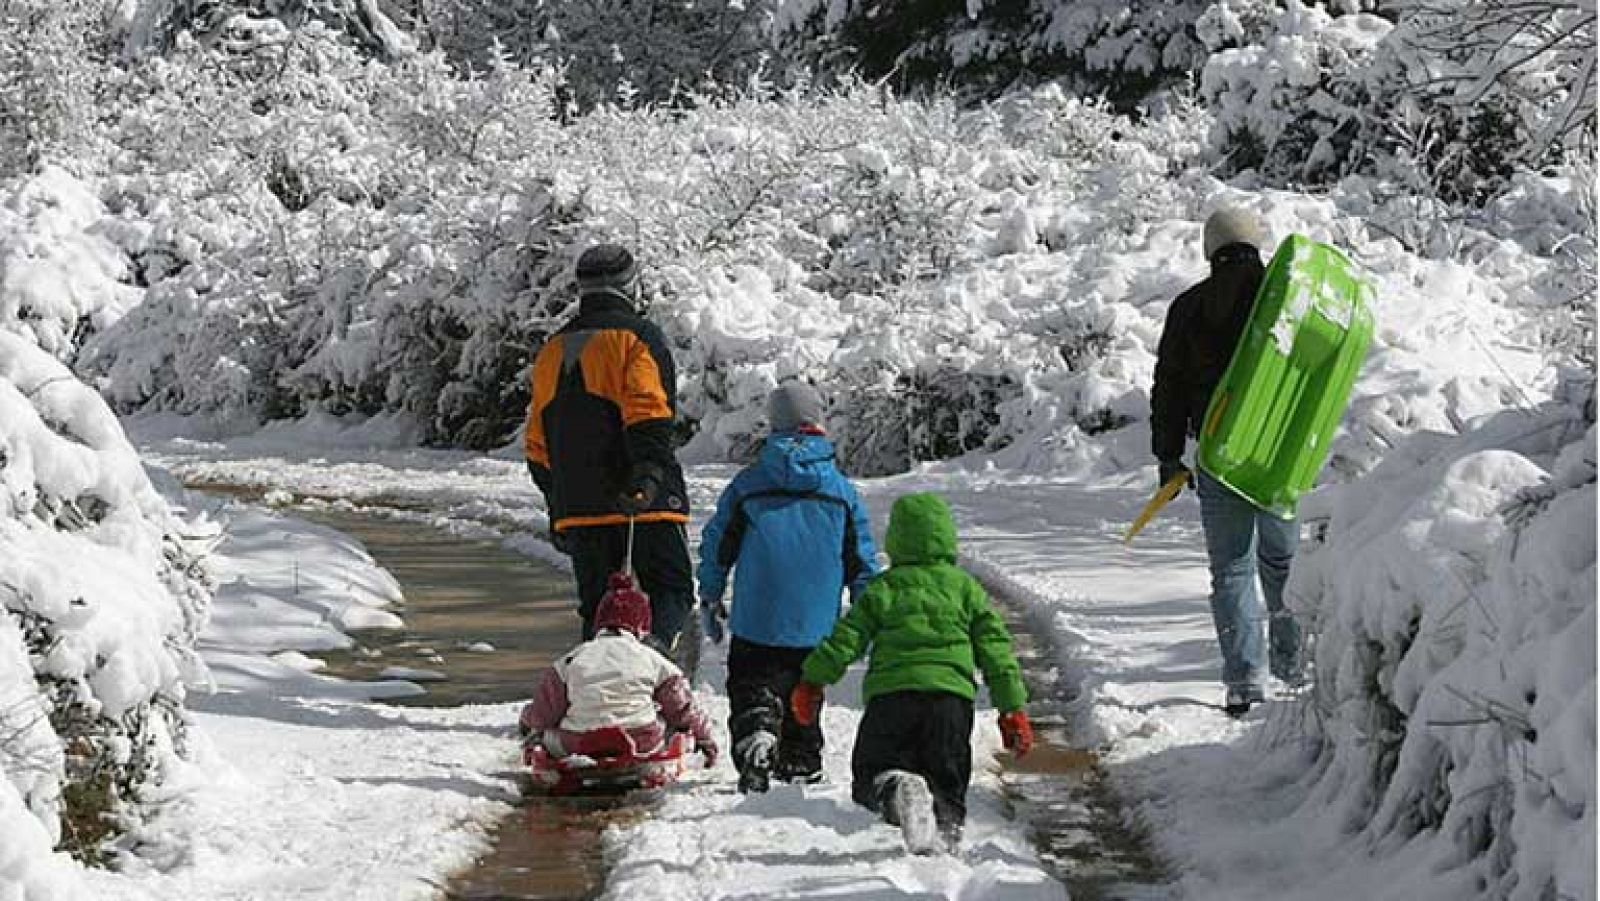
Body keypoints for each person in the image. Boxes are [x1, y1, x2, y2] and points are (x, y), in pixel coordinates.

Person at [789, 492, 1032, 854]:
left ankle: (895, 788)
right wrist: (1011, 708)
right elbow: (997, 651)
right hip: (950, 704)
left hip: (892, 700)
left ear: (896, 539)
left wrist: (813, 680)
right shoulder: (966, 589)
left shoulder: (884, 588)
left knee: (871, 774)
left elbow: (847, 638)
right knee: (947, 784)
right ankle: (943, 845)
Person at [1150, 207, 1303, 717]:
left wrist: (1169, 456)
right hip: (1281, 452)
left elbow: (1168, 389)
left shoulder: (1190, 307)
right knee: (1282, 562)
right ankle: (1295, 668)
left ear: (1210, 249)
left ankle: (1244, 681)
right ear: (1257, 244)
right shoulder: (1285, 302)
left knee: (1233, 568)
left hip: (1220, 453)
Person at [697, 381, 879, 794]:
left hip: (757, 617)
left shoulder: (749, 484)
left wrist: (709, 594)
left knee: (751, 684)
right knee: (805, 691)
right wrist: (867, 614)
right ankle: (801, 760)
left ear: (774, 422)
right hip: (816, 622)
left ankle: (756, 732)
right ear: (818, 420)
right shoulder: (841, 492)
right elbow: (862, 562)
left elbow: (718, 542)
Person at [524, 243, 695, 663]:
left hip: (578, 503)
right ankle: (654, 672)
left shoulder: (551, 350)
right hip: (643, 499)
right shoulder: (637, 337)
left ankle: (594, 697)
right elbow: (648, 411)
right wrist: (649, 473)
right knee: (670, 592)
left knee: (598, 610)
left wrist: (557, 503)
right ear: (630, 285)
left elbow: (536, 443)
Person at [520, 572, 718, 767]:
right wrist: (704, 737)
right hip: (639, 738)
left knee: (546, 735)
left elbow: (544, 713)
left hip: (579, 741)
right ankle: (669, 751)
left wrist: (527, 719)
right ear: (641, 626)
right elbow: (682, 708)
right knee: (669, 725)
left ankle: (539, 752)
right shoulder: (652, 659)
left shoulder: (572, 660)